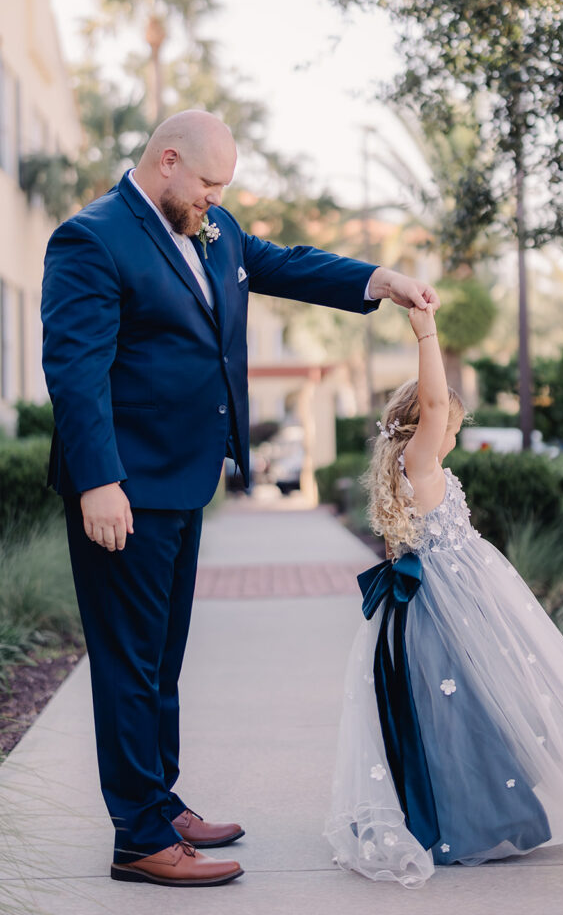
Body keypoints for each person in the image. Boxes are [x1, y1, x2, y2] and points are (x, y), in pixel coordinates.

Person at [40, 109, 441, 888]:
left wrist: (379, 281)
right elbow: (75, 370)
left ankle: (160, 799)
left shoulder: (209, 230)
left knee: (160, 661)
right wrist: (98, 481)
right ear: (166, 162)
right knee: (127, 663)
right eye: (208, 183)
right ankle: (139, 838)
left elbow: (283, 263)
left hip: (183, 480)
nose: (217, 200)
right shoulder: (91, 239)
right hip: (124, 487)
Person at [325, 302, 563, 888]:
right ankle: (477, 821)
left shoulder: (406, 467)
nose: (455, 428)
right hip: (450, 606)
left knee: (465, 712)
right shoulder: (420, 461)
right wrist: (427, 333)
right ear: (427, 423)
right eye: (452, 420)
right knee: (475, 712)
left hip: (442, 602)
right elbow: (432, 403)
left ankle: (477, 816)